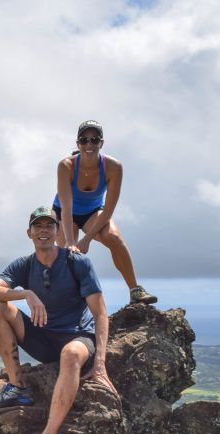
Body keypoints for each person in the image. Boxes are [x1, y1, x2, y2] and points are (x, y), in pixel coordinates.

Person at [0, 205, 116, 434]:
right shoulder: (24, 265)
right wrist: (25, 293)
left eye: (49, 226)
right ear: (29, 232)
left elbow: (100, 313)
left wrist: (99, 364)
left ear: (58, 231)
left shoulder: (77, 262)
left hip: (77, 337)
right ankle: (17, 385)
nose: (44, 231)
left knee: (72, 354)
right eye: (38, 226)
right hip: (43, 337)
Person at [54, 120, 157, 305]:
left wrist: (86, 240)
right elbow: (66, 206)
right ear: (78, 144)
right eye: (84, 140)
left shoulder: (113, 167)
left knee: (115, 239)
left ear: (101, 143)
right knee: (65, 255)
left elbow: (109, 208)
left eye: (94, 140)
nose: (89, 145)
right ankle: (66, 301)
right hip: (64, 212)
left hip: (93, 212)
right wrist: (71, 242)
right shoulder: (66, 166)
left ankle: (135, 290)